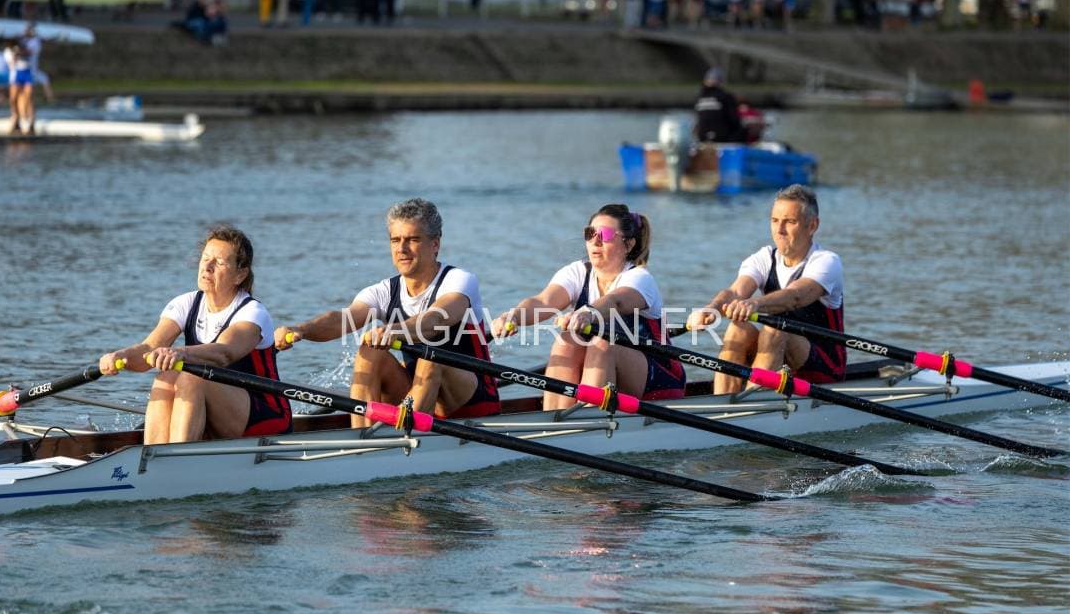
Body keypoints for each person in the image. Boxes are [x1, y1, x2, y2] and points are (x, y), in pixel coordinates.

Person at [275, 198, 500, 428]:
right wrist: (301, 329)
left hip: (471, 400)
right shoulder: (383, 291)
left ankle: (407, 435)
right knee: (369, 351)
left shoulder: (459, 281)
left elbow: (434, 320)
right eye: (395, 240)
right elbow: (342, 319)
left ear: (435, 244)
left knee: (431, 357)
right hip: (418, 394)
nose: (401, 249)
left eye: (412, 240)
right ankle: (362, 437)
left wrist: (395, 331)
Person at [98, 226, 292, 445]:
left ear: (240, 274)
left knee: (192, 377)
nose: (207, 267)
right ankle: (153, 453)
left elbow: (224, 353)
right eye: (205, 259)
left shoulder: (253, 312)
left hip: (265, 416)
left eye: (219, 263)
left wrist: (179, 353)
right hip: (219, 412)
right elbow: (149, 349)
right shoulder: (185, 303)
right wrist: (120, 356)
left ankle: (178, 457)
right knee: (166, 377)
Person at [491, 204, 685, 412]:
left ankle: (588, 419)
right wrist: (514, 316)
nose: (595, 241)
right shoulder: (577, 272)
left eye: (605, 234)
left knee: (602, 343)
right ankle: (556, 417)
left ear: (628, 245)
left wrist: (588, 312)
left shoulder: (639, 278)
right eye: (590, 233)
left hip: (659, 379)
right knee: (567, 341)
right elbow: (544, 301)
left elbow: (616, 301)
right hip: (608, 380)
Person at [685, 185, 845, 395]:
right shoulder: (764, 258)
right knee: (738, 328)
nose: (779, 230)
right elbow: (735, 292)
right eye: (775, 220)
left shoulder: (826, 261)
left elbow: (795, 296)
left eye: (790, 222)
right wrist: (712, 309)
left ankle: (753, 404)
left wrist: (754, 304)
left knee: (774, 330)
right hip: (778, 359)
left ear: (812, 225)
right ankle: (723, 401)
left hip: (822, 367)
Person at [693, 66, 743, 143]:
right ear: (720, 82)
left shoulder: (699, 98)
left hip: (703, 138)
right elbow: (734, 120)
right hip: (723, 138)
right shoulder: (725, 96)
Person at [3, 39, 34, 135]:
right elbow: (13, 62)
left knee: (28, 98)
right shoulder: (7, 51)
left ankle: (30, 120)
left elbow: (30, 53)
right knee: (14, 99)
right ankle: (16, 118)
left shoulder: (23, 48)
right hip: (16, 74)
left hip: (26, 72)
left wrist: (21, 51)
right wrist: (17, 53)